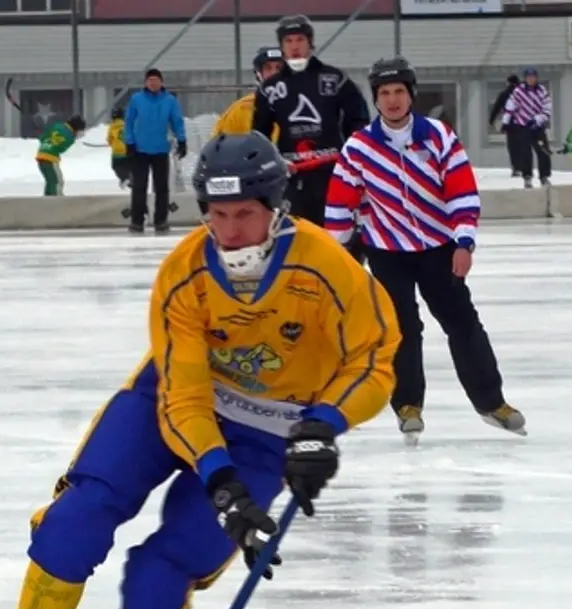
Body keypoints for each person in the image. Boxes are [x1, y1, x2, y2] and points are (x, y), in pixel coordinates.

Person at [0, 131, 400, 609]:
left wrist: (323, 425)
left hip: (270, 431)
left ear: (276, 208)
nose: (229, 232)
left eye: (244, 215)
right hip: (172, 402)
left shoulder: (326, 267)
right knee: (78, 517)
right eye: (217, 215)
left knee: (167, 567)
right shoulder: (185, 272)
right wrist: (218, 479)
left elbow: (375, 360)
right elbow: (184, 396)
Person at [324, 57, 526, 444]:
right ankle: (408, 406)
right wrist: (335, 256)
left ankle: (492, 402)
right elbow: (339, 205)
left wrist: (464, 242)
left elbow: (462, 191)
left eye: (399, 91)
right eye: (384, 93)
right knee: (401, 329)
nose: (393, 99)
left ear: (411, 95)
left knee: (463, 323)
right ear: (376, 99)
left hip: (439, 248)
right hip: (386, 251)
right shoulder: (360, 146)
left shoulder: (438, 136)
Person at [252, 14, 370, 226]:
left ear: (310, 43)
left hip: (333, 174)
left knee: (339, 235)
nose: (294, 46)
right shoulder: (269, 88)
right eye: (288, 41)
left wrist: (354, 160)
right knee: (296, 237)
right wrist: (271, 165)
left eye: (300, 40)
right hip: (291, 177)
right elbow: (259, 134)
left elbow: (358, 120)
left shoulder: (335, 78)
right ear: (281, 46)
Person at [125, 68, 187, 234]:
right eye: (150, 80)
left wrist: (182, 139)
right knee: (139, 187)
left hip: (160, 149)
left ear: (161, 82)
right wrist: (129, 142)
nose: (153, 83)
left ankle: (161, 220)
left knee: (161, 187)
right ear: (146, 83)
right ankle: (137, 221)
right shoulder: (136, 99)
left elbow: (176, 121)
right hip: (140, 149)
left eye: (156, 80)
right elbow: (129, 121)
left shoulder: (169, 100)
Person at [212, 46, 283, 138]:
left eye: (279, 68)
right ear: (258, 74)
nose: (274, 74)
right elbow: (220, 145)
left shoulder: (301, 105)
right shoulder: (242, 109)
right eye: (268, 68)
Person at [502, 67, 552, 188]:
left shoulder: (541, 91)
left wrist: (537, 119)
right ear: (525, 78)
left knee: (543, 151)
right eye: (529, 77)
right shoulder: (519, 91)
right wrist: (505, 122)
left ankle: (544, 176)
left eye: (533, 77)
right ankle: (527, 176)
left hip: (537, 127)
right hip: (523, 126)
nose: (531, 79)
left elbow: (547, 109)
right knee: (525, 152)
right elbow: (510, 106)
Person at [36, 114, 86, 196]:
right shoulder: (70, 136)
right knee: (57, 181)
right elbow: (62, 148)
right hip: (50, 158)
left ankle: (47, 199)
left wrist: (48, 143)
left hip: (41, 156)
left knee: (50, 181)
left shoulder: (57, 126)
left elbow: (42, 138)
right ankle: (56, 201)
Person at [488, 74, 521, 176]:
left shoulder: (505, 94)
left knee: (512, 145)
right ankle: (523, 166)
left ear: (508, 82)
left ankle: (516, 167)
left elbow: (497, 107)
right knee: (522, 145)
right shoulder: (524, 93)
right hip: (523, 123)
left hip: (510, 123)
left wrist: (491, 120)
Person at [106, 106, 131, 189]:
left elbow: (109, 140)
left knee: (116, 166)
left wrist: (112, 143)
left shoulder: (112, 126)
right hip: (127, 150)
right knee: (127, 167)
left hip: (117, 151)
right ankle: (129, 180)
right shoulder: (127, 125)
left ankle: (124, 178)